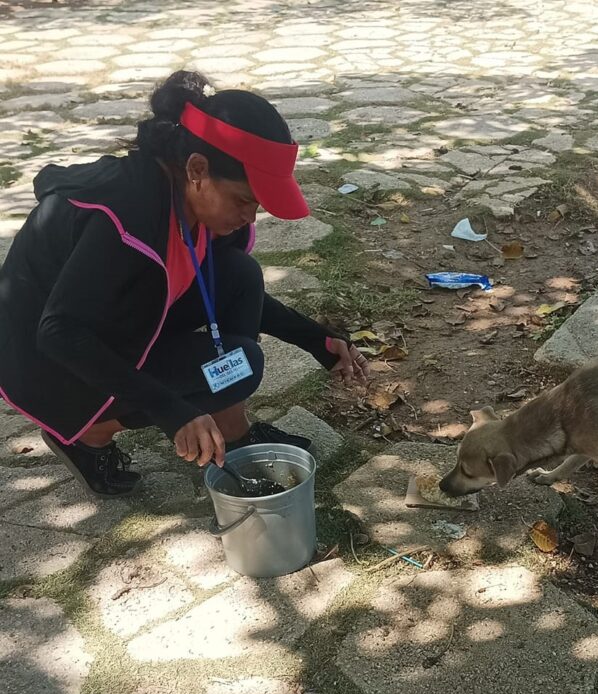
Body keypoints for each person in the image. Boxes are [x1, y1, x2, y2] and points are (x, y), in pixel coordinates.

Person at [0, 70, 369, 497]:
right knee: (241, 363)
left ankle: (233, 430)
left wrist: (317, 339)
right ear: (197, 168)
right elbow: (58, 333)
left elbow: (225, 288)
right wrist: (171, 410)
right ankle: (88, 435)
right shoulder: (125, 218)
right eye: (245, 200)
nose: (251, 217)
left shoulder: (194, 202)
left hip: (120, 319)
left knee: (239, 279)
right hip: (49, 364)